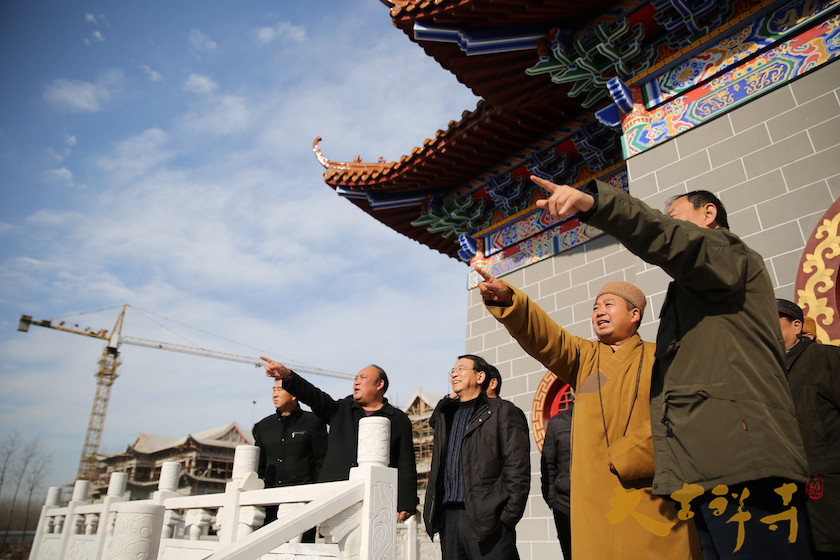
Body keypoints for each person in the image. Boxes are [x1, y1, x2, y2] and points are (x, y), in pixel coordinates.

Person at [529, 176, 810, 559]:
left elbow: (670, 239)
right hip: (705, 467)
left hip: (742, 459)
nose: (669, 224)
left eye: (675, 216)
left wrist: (598, 206)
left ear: (708, 214)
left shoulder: (729, 255)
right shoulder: (694, 291)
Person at [476, 273, 699, 559]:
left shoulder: (661, 358)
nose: (599, 312)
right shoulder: (586, 360)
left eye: (608, 304)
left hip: (651, 490)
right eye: (595, 308)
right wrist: (511, 302)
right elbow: (545, 337)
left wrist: (632, 453)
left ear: (634, 314)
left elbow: (680, 416)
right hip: (594, 499)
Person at [262, 358, 418, 521]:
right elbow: (313, 396)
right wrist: (288, 377)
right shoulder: (341, 410)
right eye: (355, 378)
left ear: (379, 384)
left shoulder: (398, 419)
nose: (356, 382)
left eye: (363, 378)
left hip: (376, 497)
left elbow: (405, 461)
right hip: (334, 495)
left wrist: (406, 502)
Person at [424, 354, 530, 560]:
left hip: (488, 517)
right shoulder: (446, 415)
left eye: (462, 368)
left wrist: (507, 517)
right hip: (450, 518)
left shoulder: (503, 411)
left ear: (480, 377)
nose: (455, 373)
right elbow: (433, 422)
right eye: (452, 370)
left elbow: (518, 468)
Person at [777, 298, 840, 559]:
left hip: (830, 485)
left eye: (774, 324)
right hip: (786, 492)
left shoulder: (827, 358)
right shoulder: (765, 374)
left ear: (797, 326)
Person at [252, 379, 327, 537]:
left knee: (301, 550)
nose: (275, 394)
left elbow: (322, 462)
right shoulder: (263, 426)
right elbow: (259, 466)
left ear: (294, 394)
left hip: (302, 501)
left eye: (280, 389)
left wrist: (317, 496)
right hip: (270, 502)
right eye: (273, 390)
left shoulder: (314, 422)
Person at [540, 402, 573, 560]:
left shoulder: (601, 417)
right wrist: (553, 500)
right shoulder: (558, 422)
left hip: (596, 502)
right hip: (565, 503)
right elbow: (548, 465)